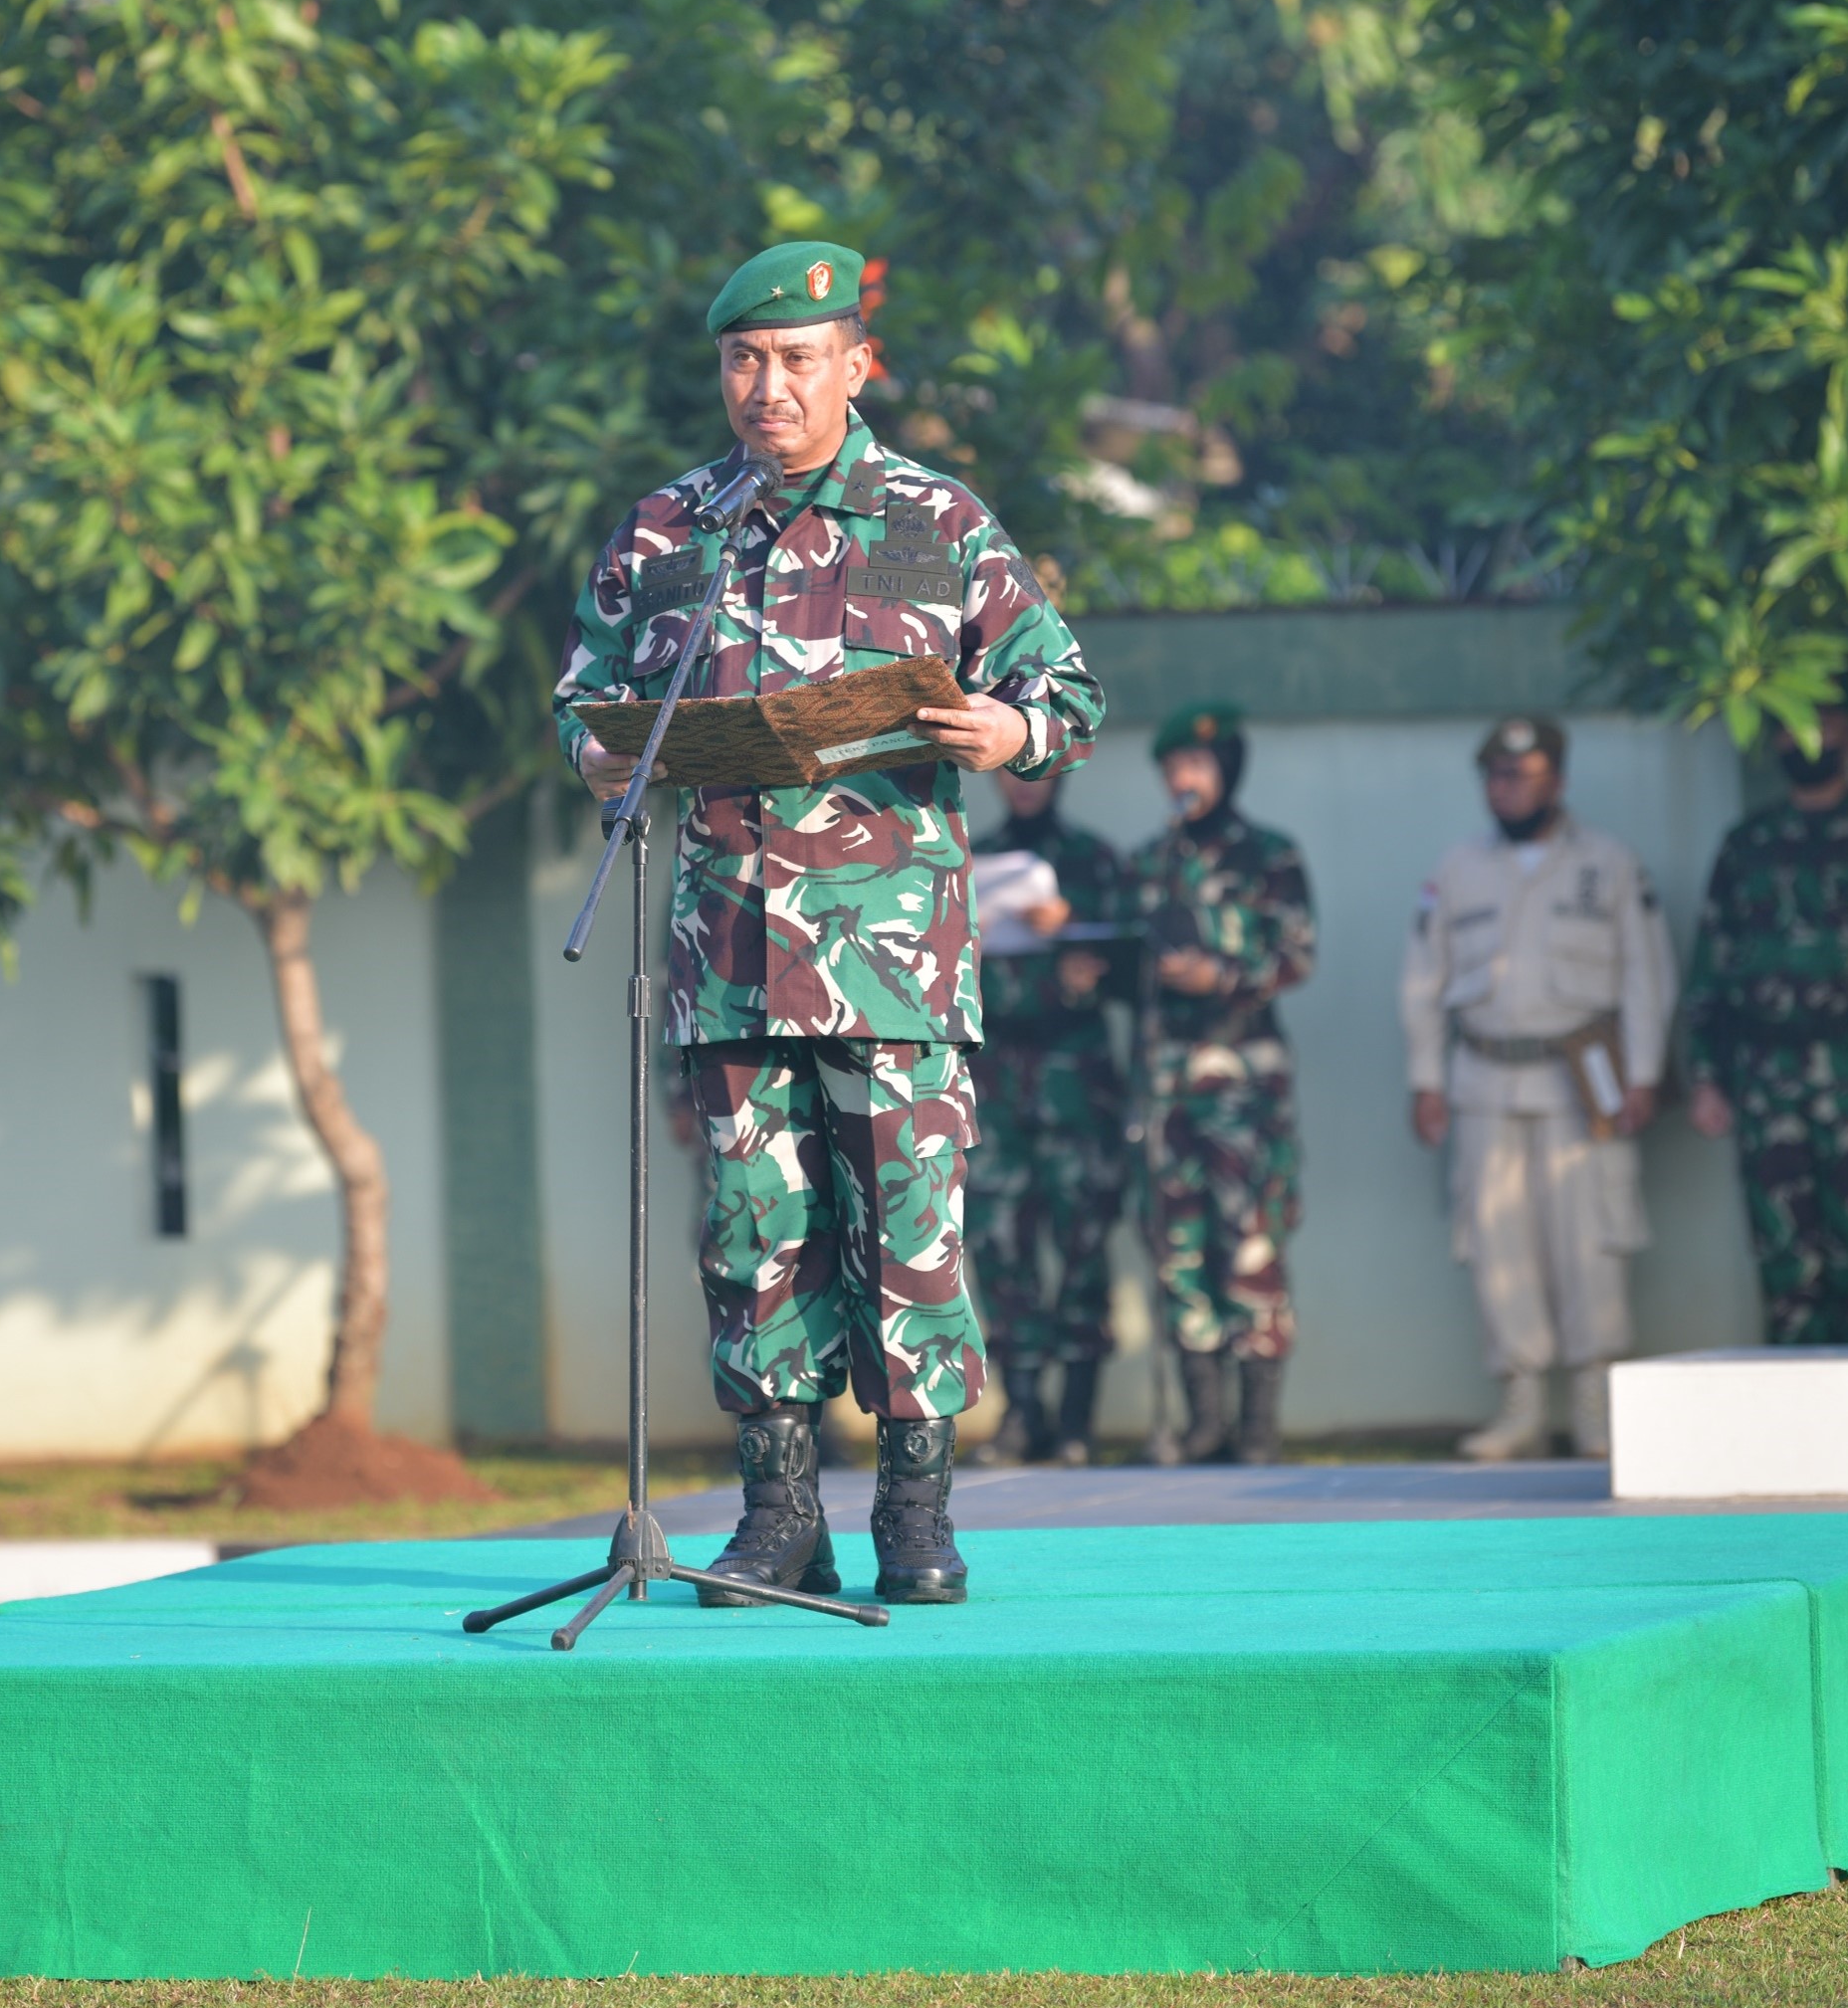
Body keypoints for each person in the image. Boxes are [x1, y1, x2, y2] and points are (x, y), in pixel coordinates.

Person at [551, 239, 1104, 1606]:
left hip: (894, 963)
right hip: (728, 958)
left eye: (798, 359)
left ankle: (915, 1512)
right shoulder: (669, 530)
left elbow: (1065, 690)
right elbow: (583, 695)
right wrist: (598, 753)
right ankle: (778, 1513)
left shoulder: (936, 520)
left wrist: (1007, 730)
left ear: (856, 366)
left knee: (908, 1236)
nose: (769, 387)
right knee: (754, 1240)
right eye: (744, 360)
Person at [1399, 715, 1675, 1461]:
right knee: (1496, 1240)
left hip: (1580, 1082)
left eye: (1521, 775)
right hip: (1483, 1078)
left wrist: (1643, 1073)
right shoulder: (1458, 868)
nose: (1506, 789)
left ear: (1557, 779)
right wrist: (1425, 1079)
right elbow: (1421, 981)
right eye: (1495, 776)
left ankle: (1594, 1405)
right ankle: (1520, 1403)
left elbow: (1646, 974)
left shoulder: (1607, 863)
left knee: (1592, 1239)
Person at [1127, 703, 1317, 1464]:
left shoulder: (1268, 855)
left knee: (1250, 1240)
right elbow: (1124, 961)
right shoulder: (1149, 861)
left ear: (1228, 769)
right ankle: (1203, 1419)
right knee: (1175, 1244)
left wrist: (1221, 975)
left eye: (1198, 765)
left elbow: (1296, 955)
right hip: (1165, 1080)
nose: (1184, 778)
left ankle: (1257, 1425)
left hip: (1243, 1079)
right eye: (1172, 766)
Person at [1682, 706, 1848, 1343]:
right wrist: (1705, 1076)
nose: (1806, 739)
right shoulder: (1747, 844)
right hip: (1767, 1076)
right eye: (1791, 727)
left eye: (1823, 724)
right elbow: (1712, 963)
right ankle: (1792, 1396)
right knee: (1784, 1256)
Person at [965, 767, 1131, 1465]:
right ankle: (1022, 1411)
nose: (1021, 784)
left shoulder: (1094, 861)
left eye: (1029, 769)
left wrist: (1073, 939)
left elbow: (1136, 970)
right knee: (999, 1245)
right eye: (1005, 772)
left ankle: (1075, 1420)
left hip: (1075, 1087)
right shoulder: (971, 856)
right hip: (994, 1082)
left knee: (1082, 1240)